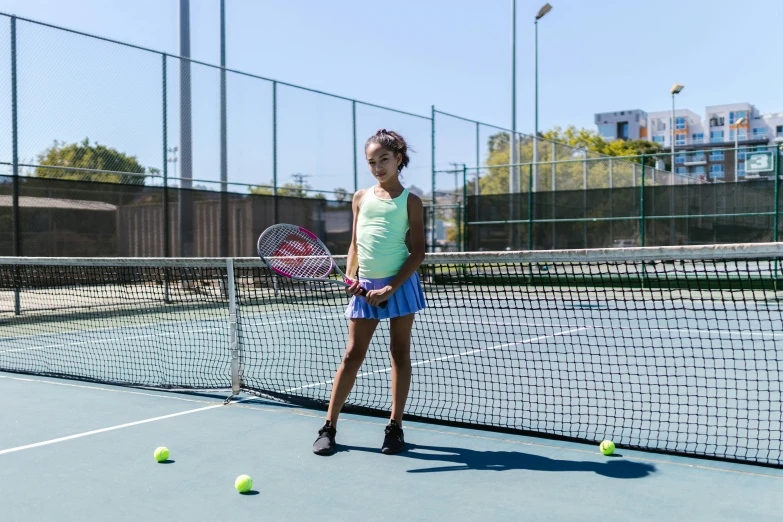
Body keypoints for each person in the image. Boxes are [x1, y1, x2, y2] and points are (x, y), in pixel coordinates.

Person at [312, 129, 426, 456]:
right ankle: (329, 427)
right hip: (364, 285)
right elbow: (354, 245)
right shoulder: (360, 198)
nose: (378, 167)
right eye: (371, 162)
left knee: (399, 354)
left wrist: (392, 285)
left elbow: (417, 251)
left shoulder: (411, 202)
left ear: (398, 159)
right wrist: (351, 278)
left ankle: (395, 426)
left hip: (400, 285)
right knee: (352, 355)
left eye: (384, 159)